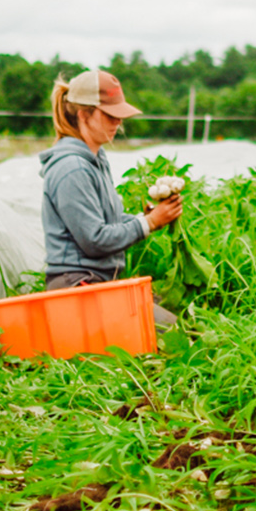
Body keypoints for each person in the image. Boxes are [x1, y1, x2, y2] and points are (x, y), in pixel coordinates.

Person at [39, 69, 184, 326]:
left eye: (119, 116)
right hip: (76, 288)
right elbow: (95, 240)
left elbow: (108, 220)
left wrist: (148, 217)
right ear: (84, 114)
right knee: (174, 332)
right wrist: (148, 224)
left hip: (100, 283)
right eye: (110, 116)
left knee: (178, 317)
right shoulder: (72, 168)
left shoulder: (95, 159)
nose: (118, 123)